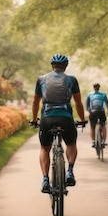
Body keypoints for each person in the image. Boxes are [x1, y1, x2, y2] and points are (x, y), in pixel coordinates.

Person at [31, 54, 87, 194]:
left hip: (47, 118)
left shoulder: (41, 79)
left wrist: (33, 119)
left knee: (45, 148)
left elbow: (35, 102)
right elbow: (78, 103)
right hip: (66, 118)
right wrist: (82, 119)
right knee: (71, 144)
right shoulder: (71, 80)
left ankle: (45, 179)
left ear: (52, 66)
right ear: (65, 66)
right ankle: (69, 171)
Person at [85, 83, 108, 148]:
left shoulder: (89, 94)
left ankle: (93, 142)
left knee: (92, 126)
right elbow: (107, 104)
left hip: (93, 112)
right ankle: (103, 142)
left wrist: (89, 111)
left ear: (93, 88)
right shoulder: (103, 94)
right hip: (101, 112)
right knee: (103, 126)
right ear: (99, 88)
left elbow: (87, 105)